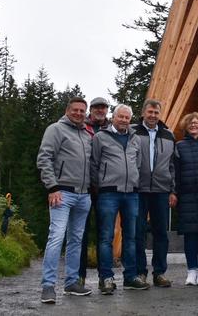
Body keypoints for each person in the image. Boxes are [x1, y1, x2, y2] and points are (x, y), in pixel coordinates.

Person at [37, 97, 93, 303]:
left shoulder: (87, 134)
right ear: (67, 110)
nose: (79, 113)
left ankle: (71, 283)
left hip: (84, 195)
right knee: (56, 237)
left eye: (82, 111)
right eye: (75, 110)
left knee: (76, 240)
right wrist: (52, 187)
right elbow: (44, 158)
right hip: (62, 193)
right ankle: (48, 286)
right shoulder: (56, 129)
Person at [90, 104, 150, 294]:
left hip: (131, 193)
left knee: (131, 238)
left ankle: (130, 277)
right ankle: (106, 278)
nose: (124, 120)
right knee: (106, 237)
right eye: (121, 117)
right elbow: (94, 164)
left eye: (127, 117)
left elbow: (138, 164)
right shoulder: (101, 137)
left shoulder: (135, 139)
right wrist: (99, 186)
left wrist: (134, 182)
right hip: (108, 193)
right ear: (113, 117)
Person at [133, 99, 177, 287]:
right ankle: (140, 272)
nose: (152, 115)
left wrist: (173, 190)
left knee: (161, 233)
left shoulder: (168, 135)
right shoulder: (132, 131)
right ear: (143, 113)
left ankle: (159, 272)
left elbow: (173, 165)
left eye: (156, 112)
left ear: (160, 114)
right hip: (138, 189)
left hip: (161, 189)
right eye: (149, 112)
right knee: (138, 232)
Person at [174, 112, 198, 285]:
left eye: (196, 123)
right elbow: (175, 171)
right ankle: (191, 270)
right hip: (187, 196)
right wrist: (174, 192)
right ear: (186, 126)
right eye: (190, 123)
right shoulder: (180, 146)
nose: (193, 126)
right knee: (190, 235)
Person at [79, 97, 111, 287]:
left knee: (104, 234)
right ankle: (79, 276)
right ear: (91, 109)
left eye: (103, 107)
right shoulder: (82, 126)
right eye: (97, 107)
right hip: (83, 187)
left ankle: (104, 277)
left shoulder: (112, 128)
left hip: (104, 189)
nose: (100, 110)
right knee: (80, 233)